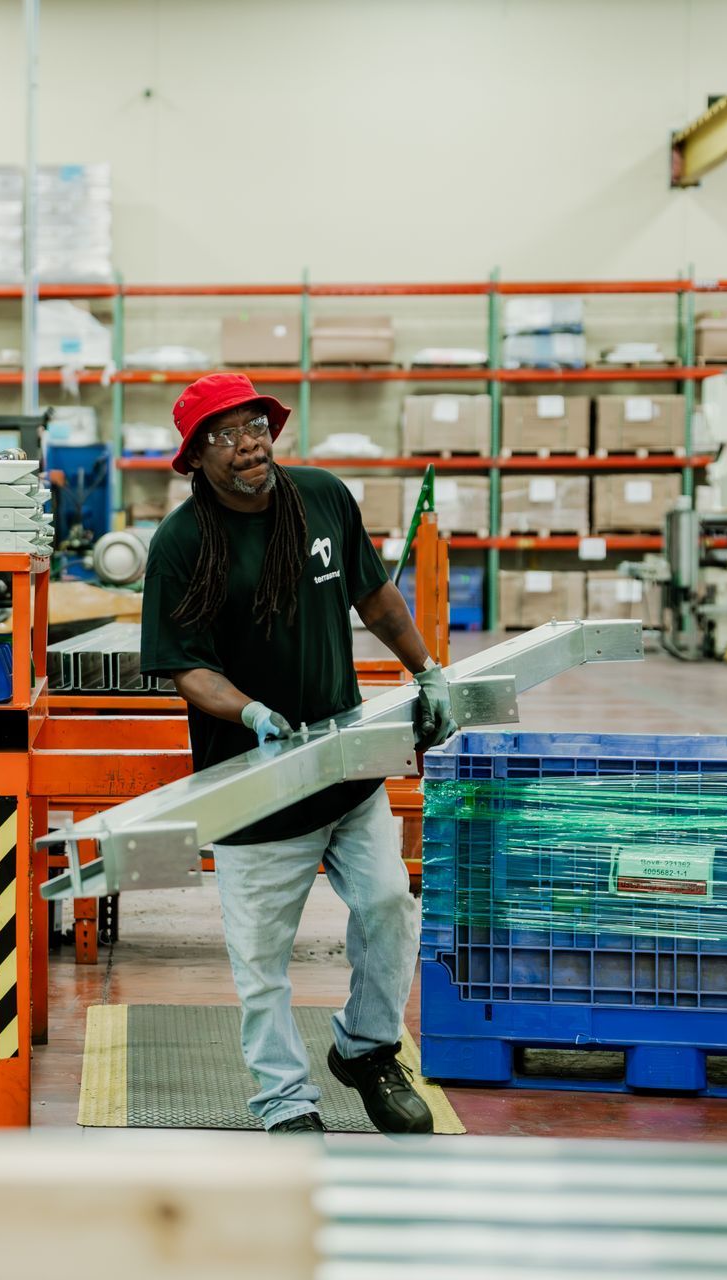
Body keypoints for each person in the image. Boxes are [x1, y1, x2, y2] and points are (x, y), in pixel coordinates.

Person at [140, 373, 456, 1137]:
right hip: (251, 780)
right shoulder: (182, 544)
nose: (248, 444)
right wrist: (248, 711)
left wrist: (427, 668)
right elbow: (187, 667)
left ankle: (369, 1049)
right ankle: (286, 1102)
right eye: (225, 434)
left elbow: (374, 596)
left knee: (389, 905)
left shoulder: (322, 497)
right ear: (196, 457)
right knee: (262, 963)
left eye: (255, 426)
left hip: (345, 760)